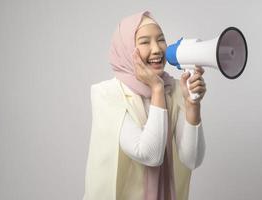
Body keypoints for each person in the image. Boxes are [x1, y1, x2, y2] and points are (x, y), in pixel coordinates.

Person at [83, 11, 207, 200]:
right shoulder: (107, 94)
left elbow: (192, 160)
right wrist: (156, 88)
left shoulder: (174, 89)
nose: (157, 49)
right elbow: (150, 154)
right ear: (126, 49)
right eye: (144, 42)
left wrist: (192, 106)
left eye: (160, 40)